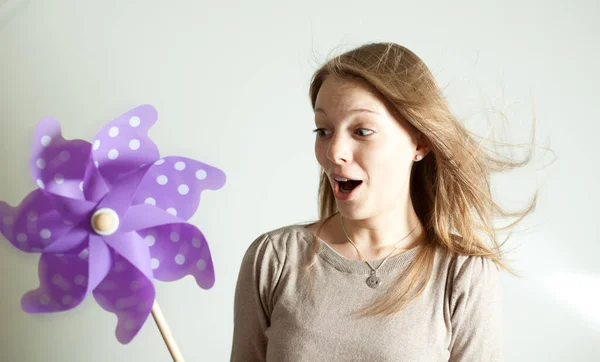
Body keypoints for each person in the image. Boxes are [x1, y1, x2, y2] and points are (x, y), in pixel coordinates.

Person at [230, 42, 538, 362]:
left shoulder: (462, 272)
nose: (334, 152)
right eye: (323, 130)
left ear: (420, 141)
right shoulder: (274, 259)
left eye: (362, 131)